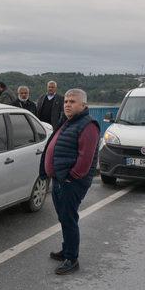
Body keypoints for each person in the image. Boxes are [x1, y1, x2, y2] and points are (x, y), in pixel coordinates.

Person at [39, 89, 100, 275]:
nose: (67, 104)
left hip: (70, 182)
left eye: (72, 101)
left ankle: (72, 259)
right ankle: (66, 250)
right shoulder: (67, 121)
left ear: (83, 105)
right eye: (65, 101)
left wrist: (69, 177)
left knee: (69, 218)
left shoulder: (88, 125)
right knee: (64, 218)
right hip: (60, 179)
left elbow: (85, 159)